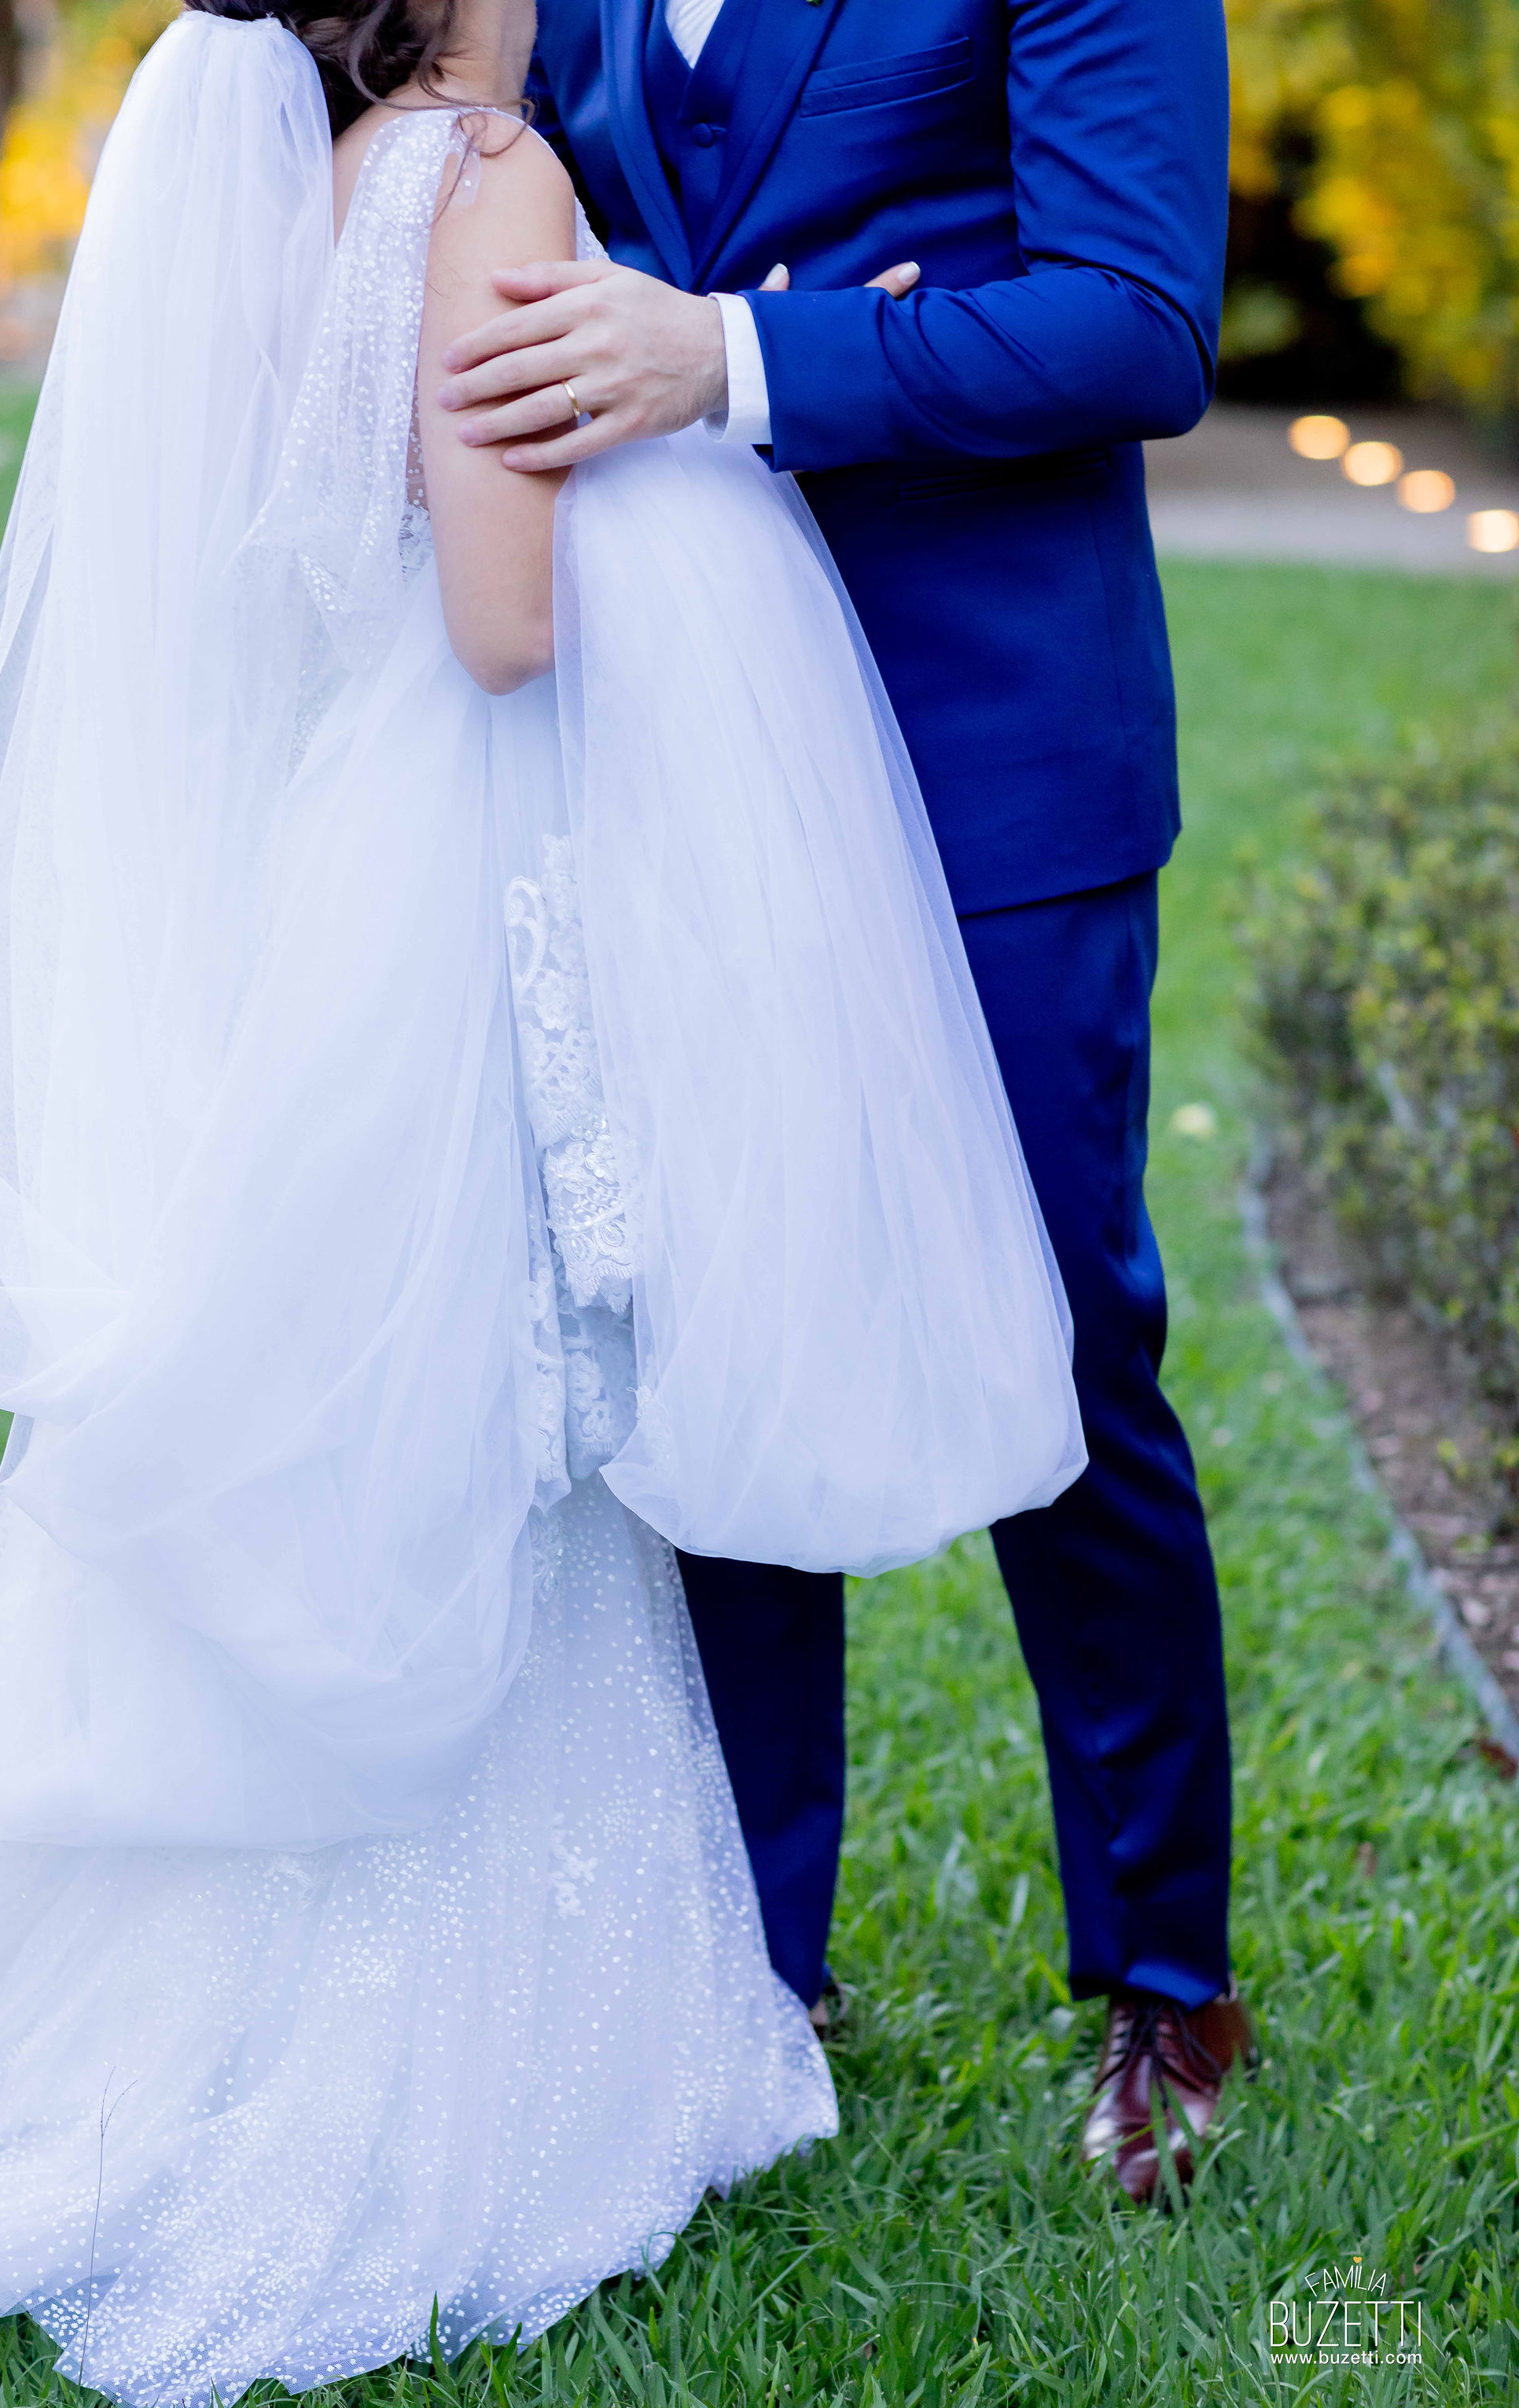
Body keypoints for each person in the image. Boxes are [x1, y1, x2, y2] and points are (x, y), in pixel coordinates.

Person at [0, 0, 1085, 2402]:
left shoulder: (318, 178)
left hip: (347, 870)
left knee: (385, 1437)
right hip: (475, 869)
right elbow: (505, 617)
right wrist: (688, 475)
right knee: (506, 1446)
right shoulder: (492, 178)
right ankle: (468, 2052)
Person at [432, 0, 1258, 2204]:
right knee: (700, 1302)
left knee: (1066, 1337)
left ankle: (1167, 1976)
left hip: (993, 743)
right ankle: (753, 1964)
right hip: (673, 736)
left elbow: (1137, 318)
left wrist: (736, 353)